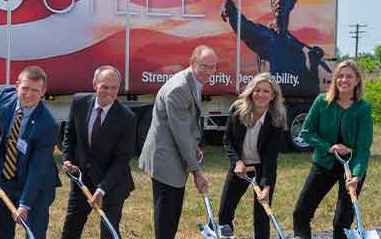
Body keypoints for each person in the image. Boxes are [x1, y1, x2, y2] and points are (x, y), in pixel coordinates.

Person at [140, 45, 217, 239]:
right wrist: (196, 172)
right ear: (192, 63)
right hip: (166, 161)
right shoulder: (179, 89)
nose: (210, 71)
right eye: (205, 66)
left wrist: (194, 146)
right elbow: (180, 134)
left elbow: (187, 123)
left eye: (213, 67)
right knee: (167, 217)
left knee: (172, 213)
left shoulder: (193, 80)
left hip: (173, 156)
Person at [292, 60, 373, 238]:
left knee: (342, 222)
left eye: (349, 76)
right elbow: (306, 132)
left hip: (351, 167)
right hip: (324, 163)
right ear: (335, 79)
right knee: (301, 212)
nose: (344, 80)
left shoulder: (363, 108)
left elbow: (363, 147)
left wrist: (356, 175)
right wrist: (329, 147)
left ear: (357, 80)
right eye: (341, 76)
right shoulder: (322, 102)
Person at [0, 66, 60, 239]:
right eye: (25, 88)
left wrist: (24, 204)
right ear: (17, 86)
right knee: (2, 233)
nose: (29, 94)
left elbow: (38, 168)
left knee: (34, 234)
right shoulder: (4, 99)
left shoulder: (47, 125)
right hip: (6, 178)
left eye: (35, 90)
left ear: (43, 92)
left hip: (36, 186)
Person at [59, 66, 136, 239]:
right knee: (70, 229)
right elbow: (69, 135)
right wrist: (67, 159)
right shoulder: (79, 102)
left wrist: (102, 190)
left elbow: (122, 160)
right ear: (95, 84)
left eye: (114, 88)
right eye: (104, 86)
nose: (109, 92)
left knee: (109, 231)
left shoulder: (127, 118)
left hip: (112, 184)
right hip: (82, 180)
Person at [221, 0, 326, 92]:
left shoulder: (297, 49)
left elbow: (311, 90)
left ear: (292, 3)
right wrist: (232, 12)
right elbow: (244, 28)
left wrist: (313, 65)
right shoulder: (264, 36)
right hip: (270, 105)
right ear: (271, 3)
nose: (279, 1)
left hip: (293, 105)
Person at [215, 73, 287, 239]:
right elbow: (228, 141)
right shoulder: (238, 110)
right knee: (225, 211)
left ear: (273, 96)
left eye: (266, 91)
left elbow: (271, 156)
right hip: (240, 167)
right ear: (251, 91)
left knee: (262, 214)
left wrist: (267, 185)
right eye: (257, 90)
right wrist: (237, 162)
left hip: (262, 168)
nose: (260, 95)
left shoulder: (276, 119)